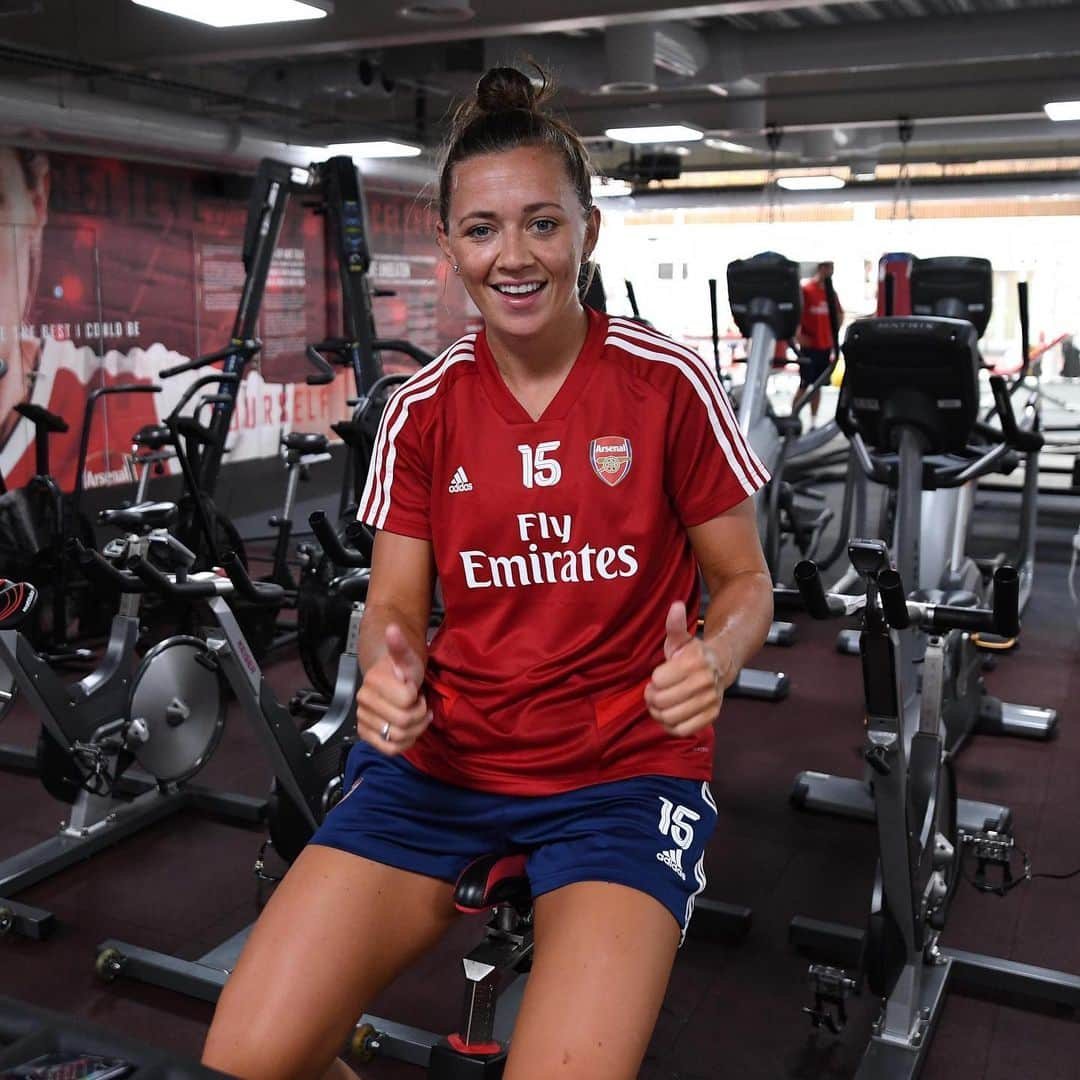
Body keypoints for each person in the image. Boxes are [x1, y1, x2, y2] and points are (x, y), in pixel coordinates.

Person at [202, 65, 774, 1080]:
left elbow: (744, 583)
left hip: (620, 780)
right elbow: (393, 604)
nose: (514, 257)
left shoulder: (667, 385)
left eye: (542, 225)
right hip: (438, 771)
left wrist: (719, 658)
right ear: (449, 247)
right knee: (249, 1062)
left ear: (588, 233)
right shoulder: (423, 410)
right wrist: (390, 672)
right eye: (483, 230)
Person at [794, 260, 843, 424]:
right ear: (822, 268)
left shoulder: (831, 293)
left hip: (825, 346)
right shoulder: (806, 290)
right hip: (809, 346)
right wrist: (798, 336)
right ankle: (793, 418)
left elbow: (839, 314)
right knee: (804, 384)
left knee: (818, 385)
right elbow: (795, 314)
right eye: (830, 268)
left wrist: (832, 334)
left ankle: (813, 421)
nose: (832, 272)